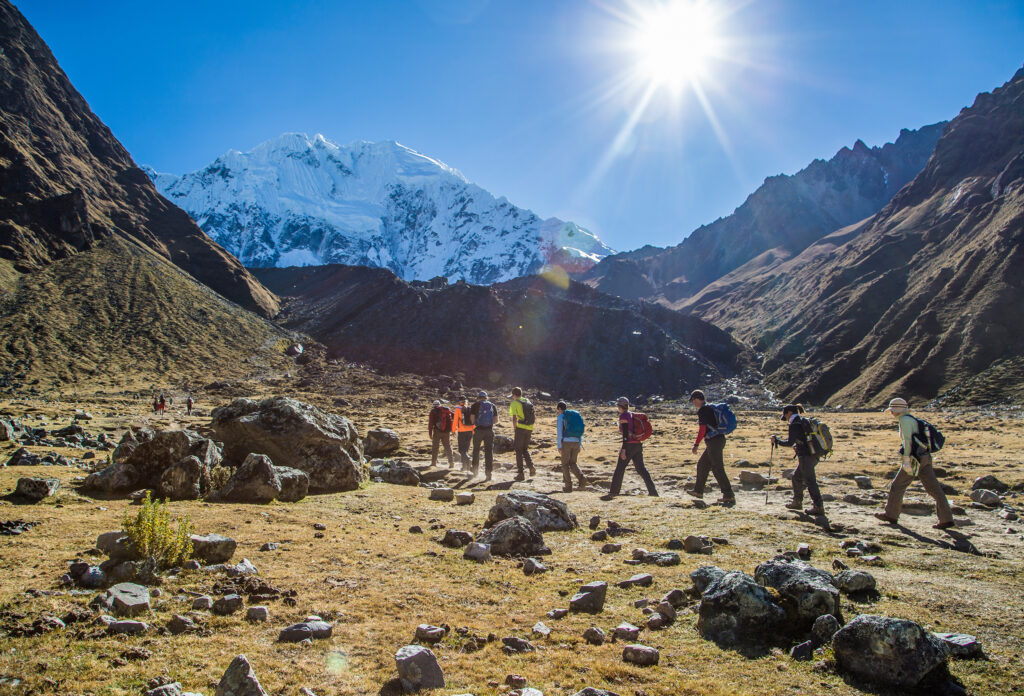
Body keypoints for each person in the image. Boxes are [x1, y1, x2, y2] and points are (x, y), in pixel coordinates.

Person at [875, 398, 954, 530]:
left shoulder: (904, 421)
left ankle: (891, 515)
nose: (891, 413)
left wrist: (906, 459)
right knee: (934, 489)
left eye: (892, 411)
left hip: (914, 458)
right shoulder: (911, 419)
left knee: (897, 485)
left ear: (896, 410)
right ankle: (946, 519)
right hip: (925, 457)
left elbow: (908, 442)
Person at [772, 404, 825, 516]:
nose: (785, 418)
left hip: (806, 456)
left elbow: (790, 442)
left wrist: (777, 441)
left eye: (785, 415)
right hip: (813, 455)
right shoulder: (802, 421)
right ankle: (797, 502)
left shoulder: (795, 424)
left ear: (789, 413)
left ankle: (818, 506)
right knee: (797, 477)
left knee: (810, 481)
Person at [603, 397, 658, 500]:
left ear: (620, 406)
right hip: (637, 445)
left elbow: (625, 433)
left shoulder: (623, 416)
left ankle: (614, 491)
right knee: (641, 469)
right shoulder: (631, 414)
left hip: (628, 445)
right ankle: (653, 492)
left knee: (620, 469)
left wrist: (623, 449)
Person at [688, 390, 735, 506]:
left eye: (693, 401)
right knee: (703, 464)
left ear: (697, 399)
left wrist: (696, 444)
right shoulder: (710, 408)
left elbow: (702, 430)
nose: (693, 403)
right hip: (717, 440)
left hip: (714, 442)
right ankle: (698, 491)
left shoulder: (703, 410)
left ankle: (728, 495)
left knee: (717, 468)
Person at [556, 401, 588, 493]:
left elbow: (559, 433)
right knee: (573, 463)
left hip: (566, 442)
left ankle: (568, 486)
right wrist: (579, 444)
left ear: (559, 409)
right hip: (576, 442)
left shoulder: (561, 417)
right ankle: (582, 479)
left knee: (565, 464)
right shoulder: (574, 416)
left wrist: (559, 446)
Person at [508, 387, 537, 481]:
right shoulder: (527, 401)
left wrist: (515, 428)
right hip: (529, 428)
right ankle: (531, 467)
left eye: (512, 395)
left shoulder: (514, 403)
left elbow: (514, 418)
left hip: (520, 427)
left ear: (514, 395)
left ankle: (521, 473)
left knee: (518, 450)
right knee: (525, 449)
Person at [470, 391, 498, 481]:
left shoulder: (475, 405)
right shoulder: (492, 405)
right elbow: (496, 420)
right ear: (486, 397)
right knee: (489, 452)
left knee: (476, 450)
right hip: (489, 431)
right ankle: (488, 473)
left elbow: (472, 420)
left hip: (478, 430)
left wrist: (478, 423)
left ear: (478, 397)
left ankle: (475, 471)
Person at [428, 400, 455, 468]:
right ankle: (451, 463)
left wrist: (430, 433)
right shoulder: (446, 410)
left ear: (434, 405)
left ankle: (433, 463)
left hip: (437, 432)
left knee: (435, 447)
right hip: (446, 432)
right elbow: (454, 417)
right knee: (447, 447)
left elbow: (431, 423)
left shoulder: (433, 411)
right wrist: (453, 430)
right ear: (439, 405)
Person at [452, 395, 475, 471]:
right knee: (466, 449)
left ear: (459, 401)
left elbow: (455, 420)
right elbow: (473, 420)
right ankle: (465, 467)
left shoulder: (458, 409)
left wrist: (453, 430)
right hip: (470, 431)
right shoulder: (470, 408)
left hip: (461, 431)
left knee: (461, 450)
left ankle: (467, 461)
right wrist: (474, 430)